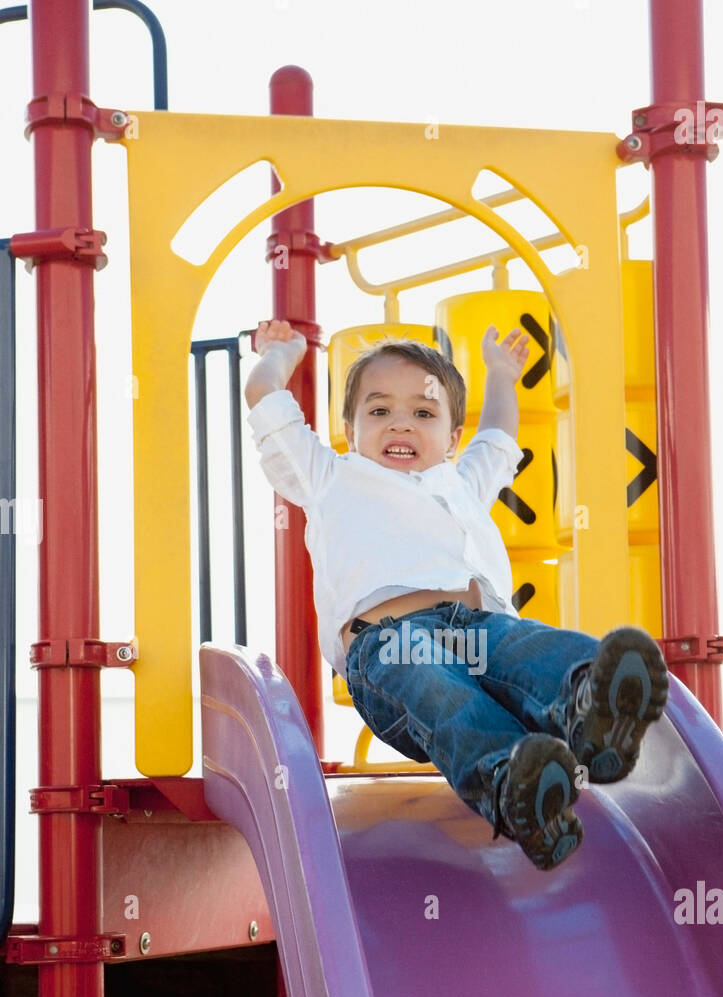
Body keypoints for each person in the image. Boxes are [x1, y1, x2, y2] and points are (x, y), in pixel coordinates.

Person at [245, 318, 668, 870]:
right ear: (348, 428)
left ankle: (590, 716)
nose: (401, 424)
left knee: (535, 646)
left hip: (480, 631)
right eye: (379, 411)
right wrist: (283, 353)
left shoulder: (460, 482)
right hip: (391, 649)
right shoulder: (330, 475)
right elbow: (264, 399)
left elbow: (497, 437)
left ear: (450, 438)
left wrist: (500, 375)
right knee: (440, 690)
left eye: (423, 413)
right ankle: (510, 782)